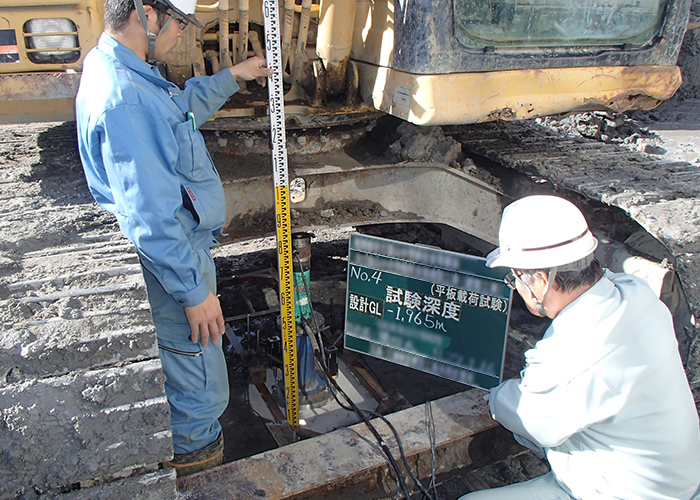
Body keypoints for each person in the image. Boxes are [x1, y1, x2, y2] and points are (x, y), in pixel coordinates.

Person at [75, 0, 272, 476]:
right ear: (148, 13)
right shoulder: (126, 98)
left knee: (192, 374)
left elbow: (176, 112)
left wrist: (232, 76)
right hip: (173, 263)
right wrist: (193, 291)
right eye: (180, 22)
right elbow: (151, 213)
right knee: (201, 390)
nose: (182, 34)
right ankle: (194, 470)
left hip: (175, 255)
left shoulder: (121, 72)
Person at [461, 195, 700, 500]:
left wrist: (495, 396)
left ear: (541, 281)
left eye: (515, 277)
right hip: (678, 481)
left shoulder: (573, 348)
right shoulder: (636, 294)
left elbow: (532, 422)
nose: (516, 286)